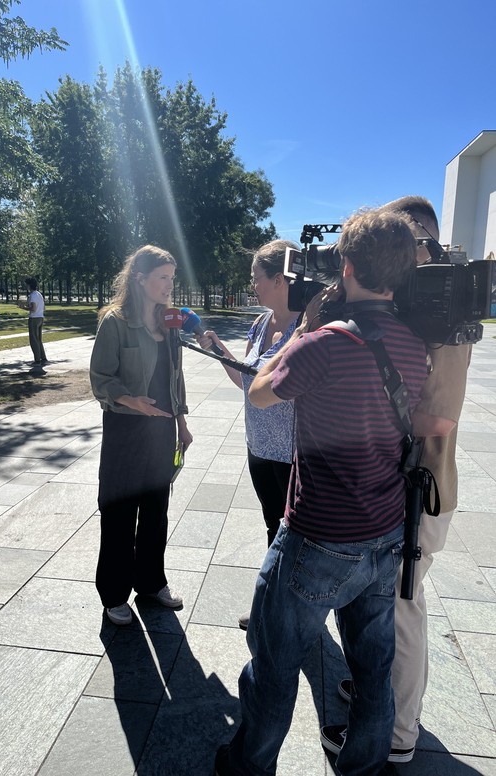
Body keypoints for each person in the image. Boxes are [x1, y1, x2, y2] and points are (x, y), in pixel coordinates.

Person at [214, 208, 429, 776]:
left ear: (347, 265)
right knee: (374, 669)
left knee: (274, 666)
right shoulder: (412, 344)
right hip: (385, 532)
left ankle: (247, 765)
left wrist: (306, 328)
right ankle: (364, 767)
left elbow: (260, 393)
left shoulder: (323, 344)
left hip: (317, 535)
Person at [334, 196, 472, 763]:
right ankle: (376, 691)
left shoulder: (448, 311)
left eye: (406, 243)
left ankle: (397, 734)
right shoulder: (408, 309)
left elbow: (437, 416)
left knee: (401, 607)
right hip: (393, 484)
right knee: (377, 603)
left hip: (421, 486)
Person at [197, 240, 300, 630]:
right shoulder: (260, 323)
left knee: (293, 535)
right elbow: (247, 381)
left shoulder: (308, 325)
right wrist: (218, 348)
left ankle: (282, 609)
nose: (252, 285)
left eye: (256, 279)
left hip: (294, 452)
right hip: (259, 445)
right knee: (273, 527)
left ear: (279, 279)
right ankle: (277, 605)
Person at [89, 245, 193, 627]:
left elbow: (174, 378)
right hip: (126, 429)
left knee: (156, 513)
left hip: (162, 430)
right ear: (140, 279)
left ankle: (151, 583)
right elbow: (101, 378)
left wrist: (181, 421)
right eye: (162, 277)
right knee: (118, 514)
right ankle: (114, 595)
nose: (169, 285)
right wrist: (132, 400)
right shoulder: (115, 321)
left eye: (172, 277)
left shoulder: (169, 322)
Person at [24, 277, 48, 366]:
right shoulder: (39, 294)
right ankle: (43, 357)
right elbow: (43, 307)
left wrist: (23, 307)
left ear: (30, 285)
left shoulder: (32, 295)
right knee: (39, 339)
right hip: (40, 317)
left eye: (27, 284)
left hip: (34, 318)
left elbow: (33, 308)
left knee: (33, 339)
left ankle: (37, 360)